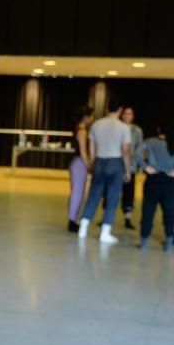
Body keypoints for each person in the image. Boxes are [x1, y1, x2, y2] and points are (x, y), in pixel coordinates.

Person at [77, 100, 132, 243]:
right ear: (120, 109)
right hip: (115, 162)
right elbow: (125, 151)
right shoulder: (123, 127)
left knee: (94, 195)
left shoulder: (96, 124)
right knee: (112, 198)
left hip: (100, 161)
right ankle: (105, 232)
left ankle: (83, 227)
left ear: (107, 109)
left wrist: (93, 162)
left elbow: (92, 145)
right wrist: (127, 170)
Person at [135, 122, 174, 251]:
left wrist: (146, 167)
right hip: (169, 181)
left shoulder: (150, 141)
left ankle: (144, 243)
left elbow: (137, 154)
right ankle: (169, 242)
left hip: (153, 180)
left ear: (158, 129)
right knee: (169, 212)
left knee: (148, 211)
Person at [67, 105, 94, 232]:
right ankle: (72, 221)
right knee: (77, 193)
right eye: (91, 115)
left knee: (78, 192)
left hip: (77, 163)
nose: (92, 118)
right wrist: (89, 165)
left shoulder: (80, 129)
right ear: (86, 117)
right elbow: (83, 152)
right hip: (79, 164)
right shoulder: (82, 131)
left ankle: (73, 219)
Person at [119, 106, 143, 229]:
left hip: (131, 165)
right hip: (117, 164)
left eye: (130, 114)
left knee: (129, 193)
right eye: (125, 113)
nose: (127, 116)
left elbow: (139, 147)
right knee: (112, 192)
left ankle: (127, 218)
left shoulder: (137, 131)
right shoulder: (117, 127)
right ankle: (106, 218)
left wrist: (137, 163)